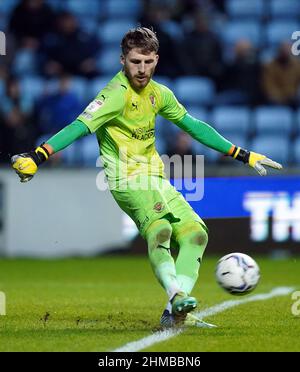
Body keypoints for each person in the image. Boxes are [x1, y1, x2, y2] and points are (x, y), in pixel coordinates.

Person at [11, 28, 282, 329]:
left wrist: (243, 154)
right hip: (126, 179)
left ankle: (173, 312)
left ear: (156, 60)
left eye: (148, 62)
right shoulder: (114, 95)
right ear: (122, 60)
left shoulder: (159, 93)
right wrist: (38, 156)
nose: (142, 70)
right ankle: (176, 293)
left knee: (196, 235)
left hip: (155, 178)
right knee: (161, 229)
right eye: (135, 62)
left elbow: (193, 125)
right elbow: (78, 127)